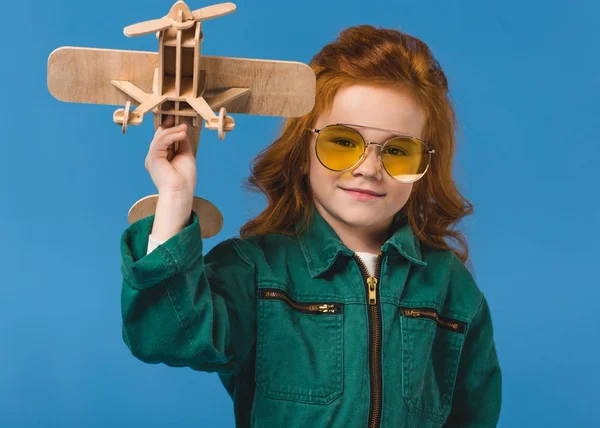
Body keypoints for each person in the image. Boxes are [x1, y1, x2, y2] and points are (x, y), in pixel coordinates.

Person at [120, 24, 502, 427]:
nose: (369, 169)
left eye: (398, 151)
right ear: (302, 153)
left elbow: (474, 414)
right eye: (342, 143)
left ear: (424, 167)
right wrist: (175, 196)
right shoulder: (256, 271)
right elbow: (164, 336)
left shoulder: (451, 289)